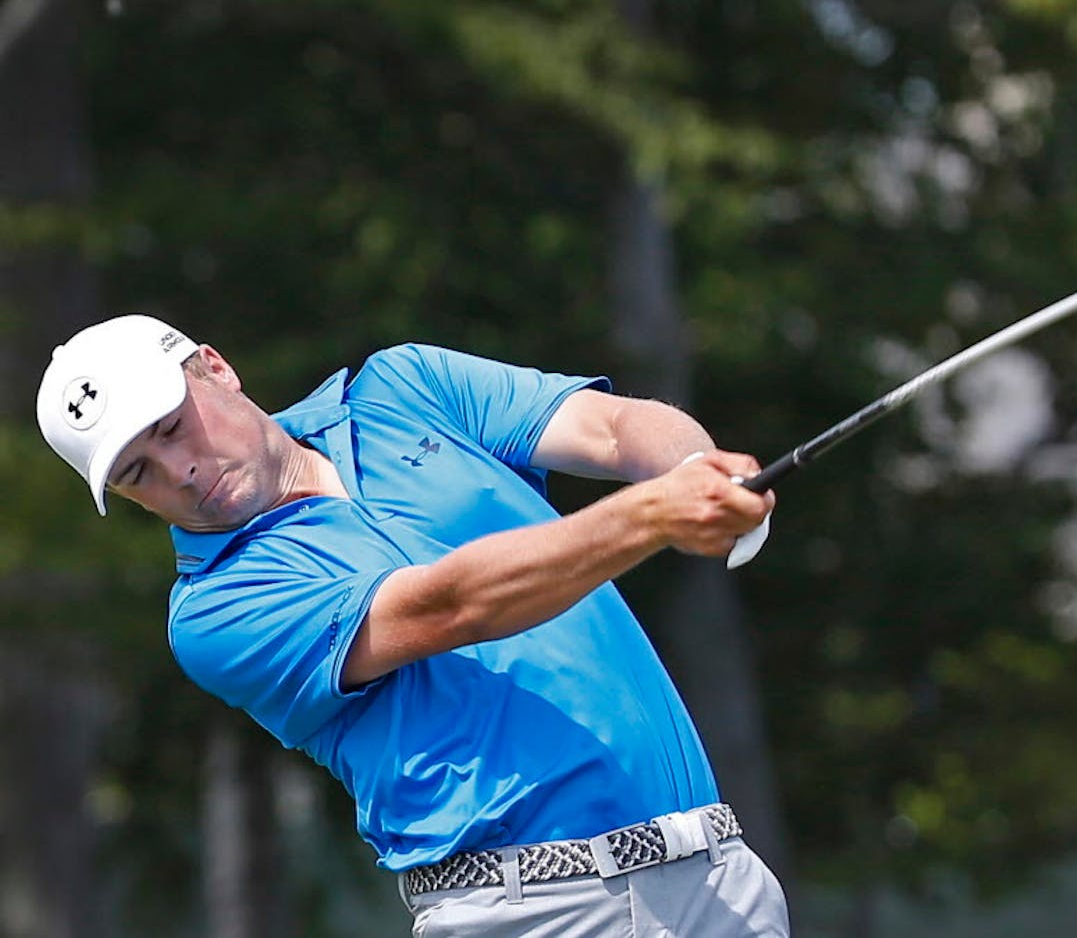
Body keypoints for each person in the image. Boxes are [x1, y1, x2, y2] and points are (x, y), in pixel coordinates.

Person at [36, 314, 789, 937]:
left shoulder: (404, 387)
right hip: (536, 913)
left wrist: (696, 469)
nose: (180, 471)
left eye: (171, 427)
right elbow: (450, 605)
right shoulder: (216, 609)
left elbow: (614, 427)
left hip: (719, 874)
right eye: (138, 472)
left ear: (216, 367)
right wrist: (653, 514)